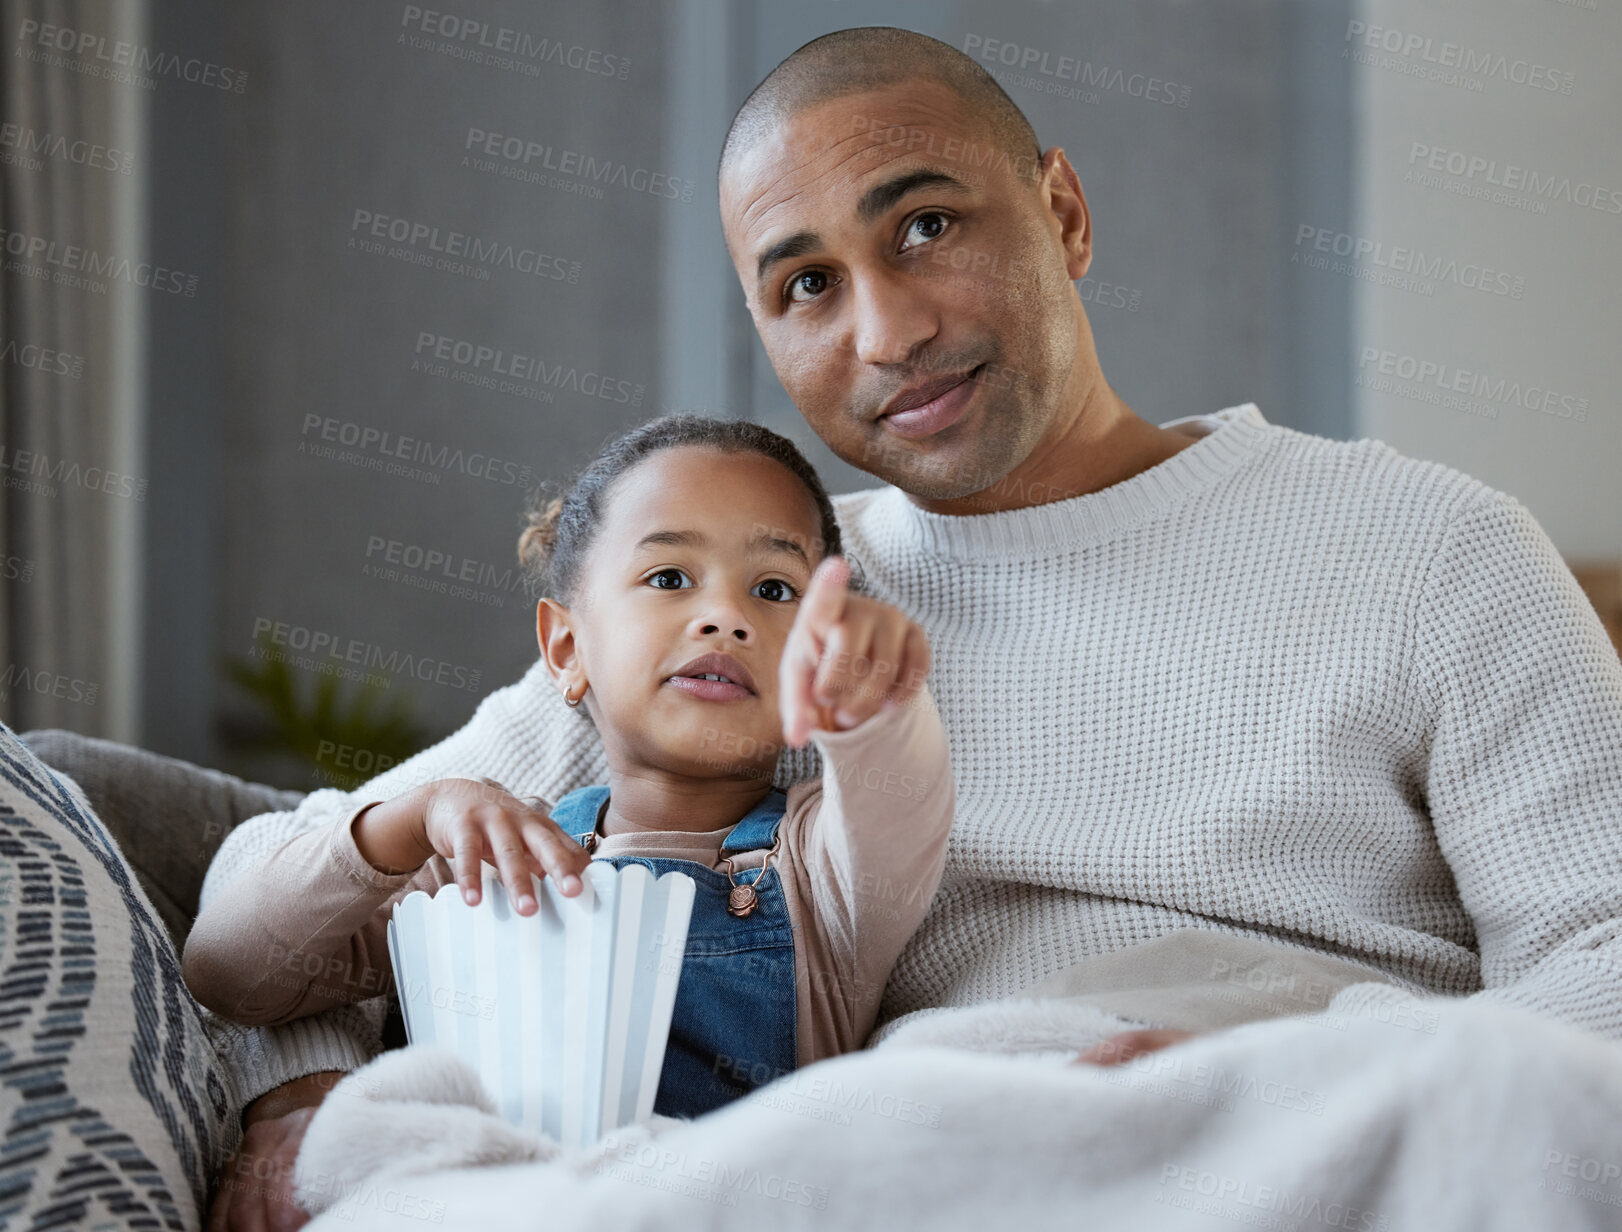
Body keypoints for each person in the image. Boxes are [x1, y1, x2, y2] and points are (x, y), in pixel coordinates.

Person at [185, 24, 1622, 1229]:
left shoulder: (1430, 548)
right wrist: (305, 1089)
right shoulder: (745, 605)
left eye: (924, 226)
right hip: (916, 1153)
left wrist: (1258, 1082)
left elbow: (1600, 966)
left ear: (1060, 209)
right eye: (806, 284)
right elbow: (341, 890)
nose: (883, 332)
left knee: (1516, 1098)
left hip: (1317, 1142)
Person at [181, 414, 954, 1121]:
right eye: (670, 578)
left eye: (774, 589)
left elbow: (903, 800)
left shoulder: (822, 865)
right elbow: (228, 974)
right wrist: (406, 823)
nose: (726, 616)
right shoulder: (477, 856)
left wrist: (875, 705)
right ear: (566, 650)